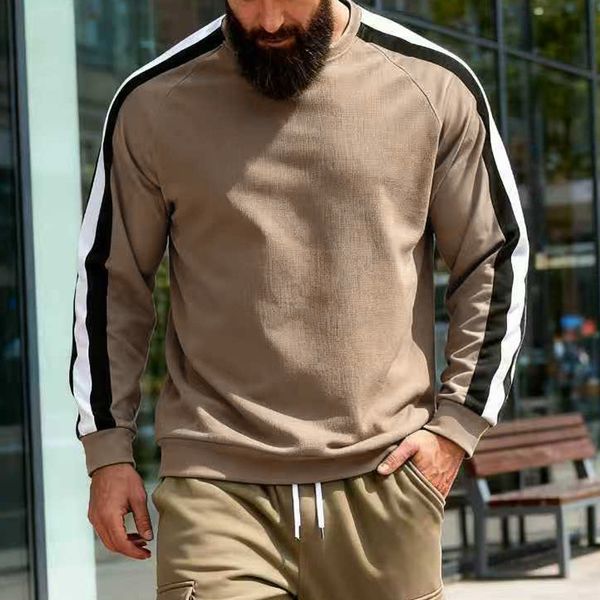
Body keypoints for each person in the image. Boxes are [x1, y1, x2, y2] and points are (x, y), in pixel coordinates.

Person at [68, 0, 529, 598]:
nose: (267, 22)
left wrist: (455, 428)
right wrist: (108, 451)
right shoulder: (153, 102)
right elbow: (112, 282)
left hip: (384, 484)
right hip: (217, 490)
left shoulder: (433, 86)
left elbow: (494, 257)